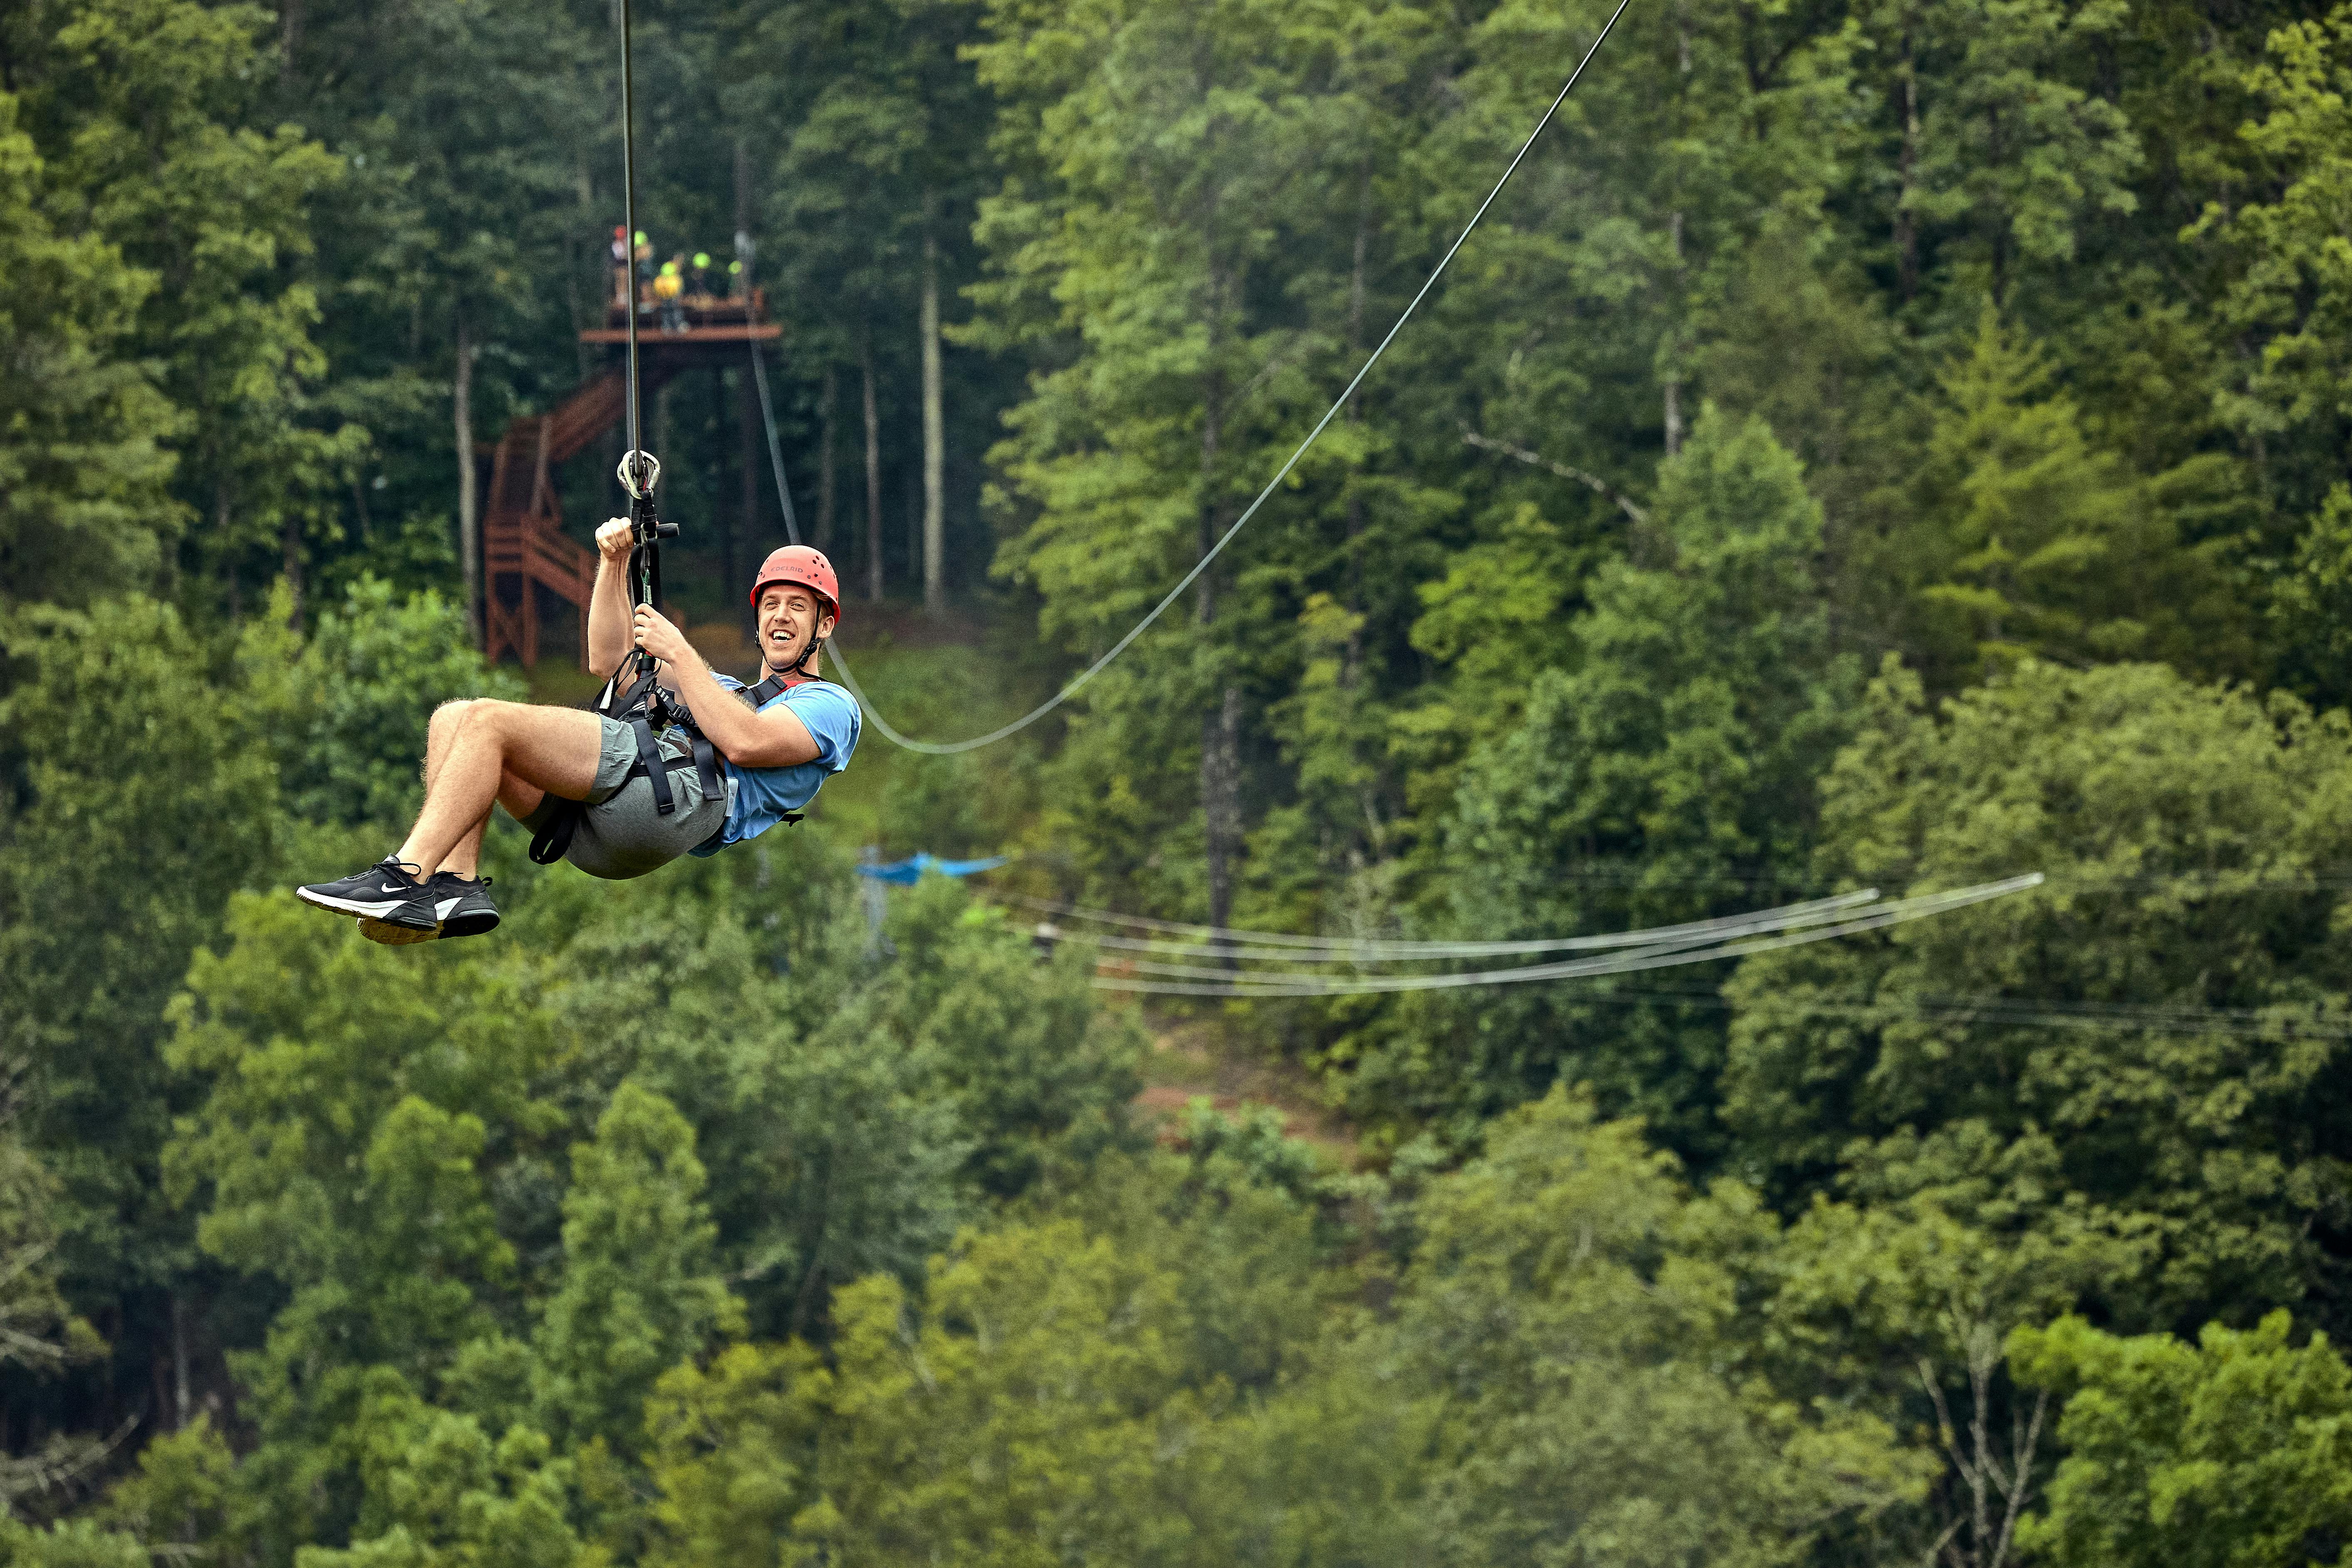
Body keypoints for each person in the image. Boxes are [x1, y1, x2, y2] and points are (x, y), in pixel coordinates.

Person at [294, 536, 861, 941]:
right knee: (454, 719)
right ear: (758, 618)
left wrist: (680, 651)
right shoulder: (719, 688)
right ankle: (453, 885)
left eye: (797, 607)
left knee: (490, 721)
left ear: (824, 625)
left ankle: (404, 876)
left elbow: (745, 743)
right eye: (771, 604)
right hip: (595, 834)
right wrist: (613, 565)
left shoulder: (831, 707)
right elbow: (609, 660)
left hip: (671, 802)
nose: (780, 616)